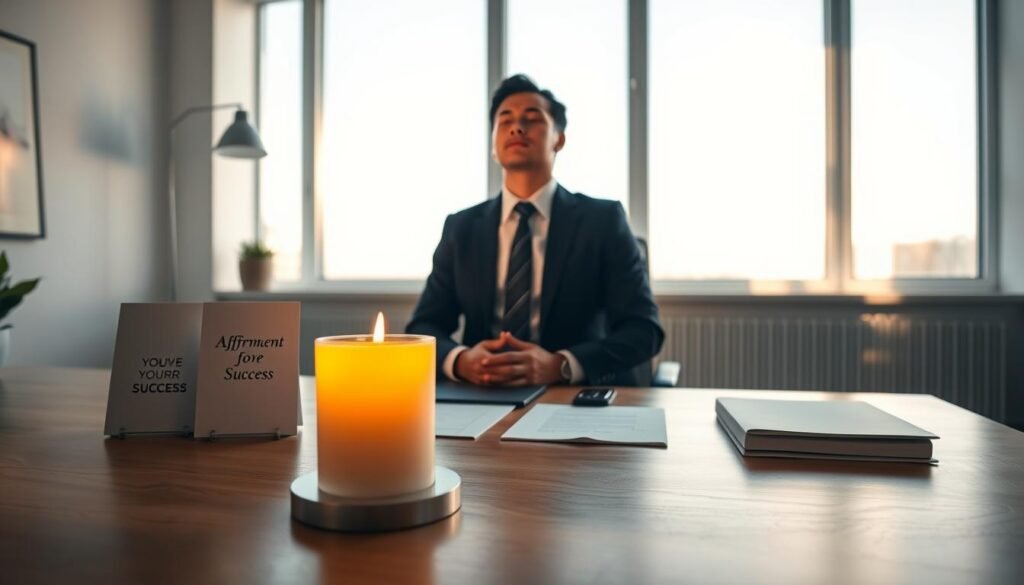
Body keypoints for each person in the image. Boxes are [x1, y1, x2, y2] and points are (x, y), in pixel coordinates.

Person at [406, 74, 663, 387]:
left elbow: (643, 330)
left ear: (559, 138)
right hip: (480, 395)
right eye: (505, 120)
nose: (517, 127)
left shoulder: (603, 220)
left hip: (570, 397)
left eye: (532, 118)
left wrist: (561, 365)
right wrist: (460, 361)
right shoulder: (461, 228)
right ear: (493, 145)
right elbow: (424, 326)